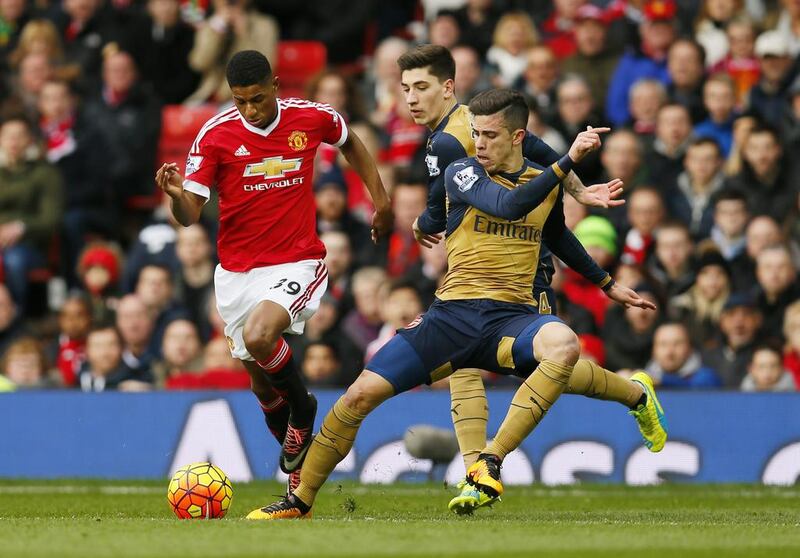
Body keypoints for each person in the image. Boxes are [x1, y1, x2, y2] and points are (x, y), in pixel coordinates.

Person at [247, 89, 660, 520]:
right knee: (357, 397)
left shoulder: (545, 185)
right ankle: (298, 502)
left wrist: (606, 282)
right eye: (476, 133)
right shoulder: (462, 172)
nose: (479, 144)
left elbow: (557, 236)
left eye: (490, 135)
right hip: (451, 317)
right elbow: (509, 204)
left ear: (518, 137)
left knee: (563, 344)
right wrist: (568, 161)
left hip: (511, 319)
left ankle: (488, 462)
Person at [155, 50, 392, 493]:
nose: (250, 108)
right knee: (262, 387)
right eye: (241, 100)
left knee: (261, 336)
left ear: (276, 86)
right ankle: (298, 470)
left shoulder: (311, 117)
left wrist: (381, 201)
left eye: (258, 98)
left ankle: (304, 410)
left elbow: (350, 141)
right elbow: (190, 214)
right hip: (237, 272)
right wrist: (174, 195)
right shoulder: (215, 135)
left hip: (296, 259)